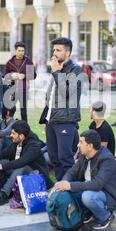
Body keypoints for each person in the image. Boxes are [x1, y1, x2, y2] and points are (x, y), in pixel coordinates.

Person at [54, 130, 116, 230]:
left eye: (81, 142)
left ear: (90, 146)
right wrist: (64, 182)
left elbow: (97, 184)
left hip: (108, 195)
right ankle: (90, 211)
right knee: (60, 186)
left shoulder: (107, 159)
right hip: (88, 189)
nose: (78, 145)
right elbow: (71, 172)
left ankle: (106, 217)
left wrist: (70, 186)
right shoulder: (84, 155)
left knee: (88, 197)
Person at [40, 37, 82, 181]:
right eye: (54, 50)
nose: (54, 53)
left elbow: (68, 93)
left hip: (66, 121)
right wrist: (47, 120)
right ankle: (60, 187)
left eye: (58, 50)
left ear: (68, 53)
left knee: (65, 158)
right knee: (54, 158)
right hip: (52, 120)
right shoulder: (57, 69)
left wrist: (57, 73)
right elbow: (51, 97)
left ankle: (71, 190)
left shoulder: (75, 69)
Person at [0, 120, 53, 206]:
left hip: (38, 177)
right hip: (21, 173)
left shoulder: (33, 146)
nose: (11, 135)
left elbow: (22, 162)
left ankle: (4, 193)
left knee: (20, 167)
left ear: (21, 136)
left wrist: (2, 166)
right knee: (1, 161)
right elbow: (4, 153)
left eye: (13, 133)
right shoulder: (17, 142)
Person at [4, 41, 36, 123]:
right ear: (15, 51)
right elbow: (4, 75)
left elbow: (33, 75)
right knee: (10, 110)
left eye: (22, 51)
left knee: (23, 112)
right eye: (19, 50)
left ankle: (25, 130)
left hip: (23, 89)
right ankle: (8, 128)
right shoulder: (10, 62)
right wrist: (11, 75)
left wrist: (25, 76)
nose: (21, 52)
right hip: (12, 90)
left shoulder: (28, 61)